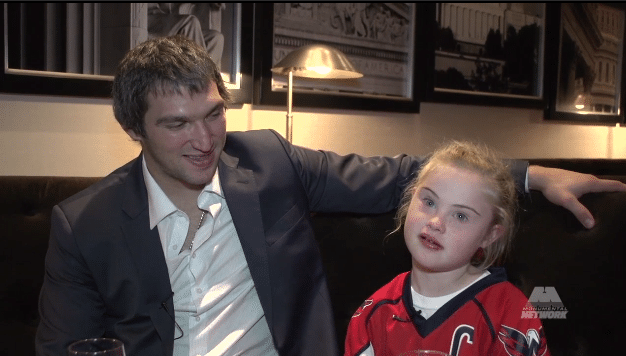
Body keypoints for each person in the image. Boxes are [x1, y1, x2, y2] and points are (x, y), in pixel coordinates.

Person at [35, 35, 624, 356]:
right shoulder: (85, 224)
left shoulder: (267, 160)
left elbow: (402, 174)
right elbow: (70, 347)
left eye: (214, 114)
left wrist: (530, 176)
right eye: (177, 124)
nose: (204, 139)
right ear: (135, 130)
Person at [344, 141, 549, 356]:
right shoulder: (372, 313)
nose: (435, 222)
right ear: (411, 199)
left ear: (489, 235)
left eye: (460, 216)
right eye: (429, 202)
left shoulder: (509, 311)